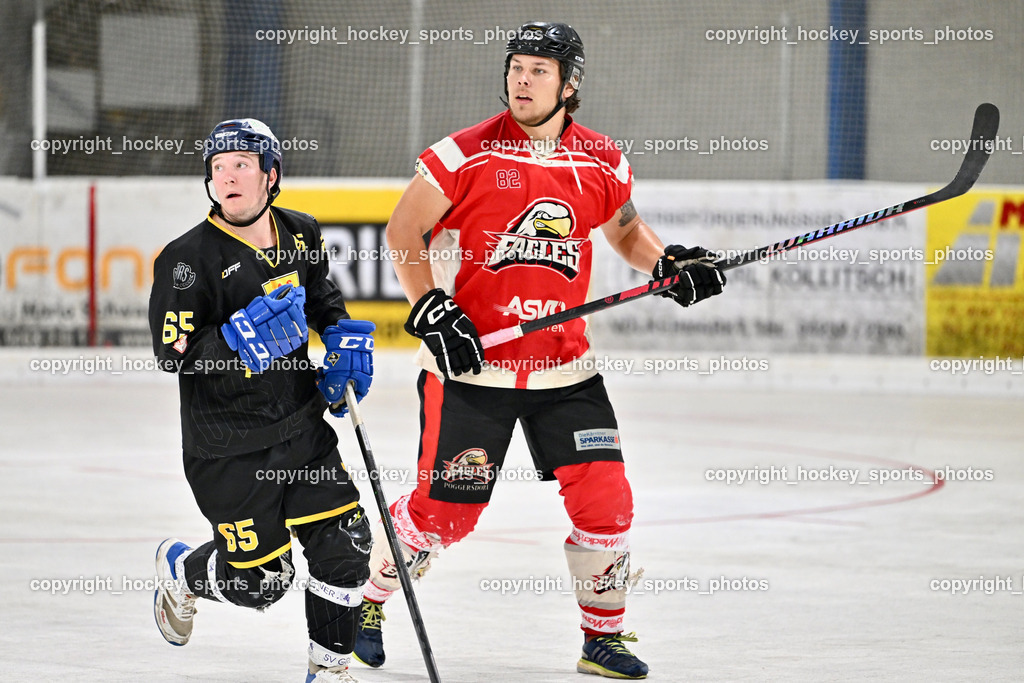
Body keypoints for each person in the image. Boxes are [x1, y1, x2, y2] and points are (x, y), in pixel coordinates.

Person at [352, 22, 726, 680]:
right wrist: (429, 304)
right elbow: (404, 229)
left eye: (538, 71)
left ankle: (602, 638)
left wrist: (667, 263)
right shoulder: (464, 154)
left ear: (569, 84)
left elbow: (624, 229)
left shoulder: (601, 160)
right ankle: (367, 600)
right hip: (474, 366)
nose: (521, 80)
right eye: (516, 67)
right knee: (445, 515)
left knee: (606, 500)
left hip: (565, 368)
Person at [149, 118, 377, 683]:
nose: (227, 176)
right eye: (218, 167)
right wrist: (232, 339)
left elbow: (322, 299)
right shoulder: (186, 259)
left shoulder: (301, 232)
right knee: (261, 585)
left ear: (271, 175)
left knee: (345, 546)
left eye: (241, 165)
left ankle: (329, 670)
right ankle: (184, 571)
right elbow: (171, 354)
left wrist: (342, 339)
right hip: (229, 447)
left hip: (302, 428)